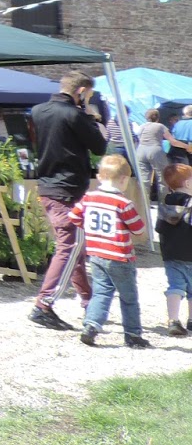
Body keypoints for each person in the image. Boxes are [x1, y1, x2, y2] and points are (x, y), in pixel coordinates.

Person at [27, 71, 107, 331]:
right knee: (71, 246)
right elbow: (99, 147)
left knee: (75, 248)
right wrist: (90, 115)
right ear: (81, 91)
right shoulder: (75, 114)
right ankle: (43, 305)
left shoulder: (38, 110)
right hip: (68, 188)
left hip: (48, 184)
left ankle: (88, 301)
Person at [72, 154, 149, 348]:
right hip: (120, 256)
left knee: (101, 292)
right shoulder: (122, 203)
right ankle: (132, 334)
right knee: (128, 297)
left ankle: (91, 325)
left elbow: (73, 216)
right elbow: (138, 229)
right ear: (123, 179)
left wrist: (88, 227)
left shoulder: (89, 197)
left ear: (99, 177)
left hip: (96, 253)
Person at [156, 162, 192, 337]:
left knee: (175, 286)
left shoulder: (164, 203)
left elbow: (159, 228)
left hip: (170, 254)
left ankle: (173, 320)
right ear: (187, 183)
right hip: (190, 253)